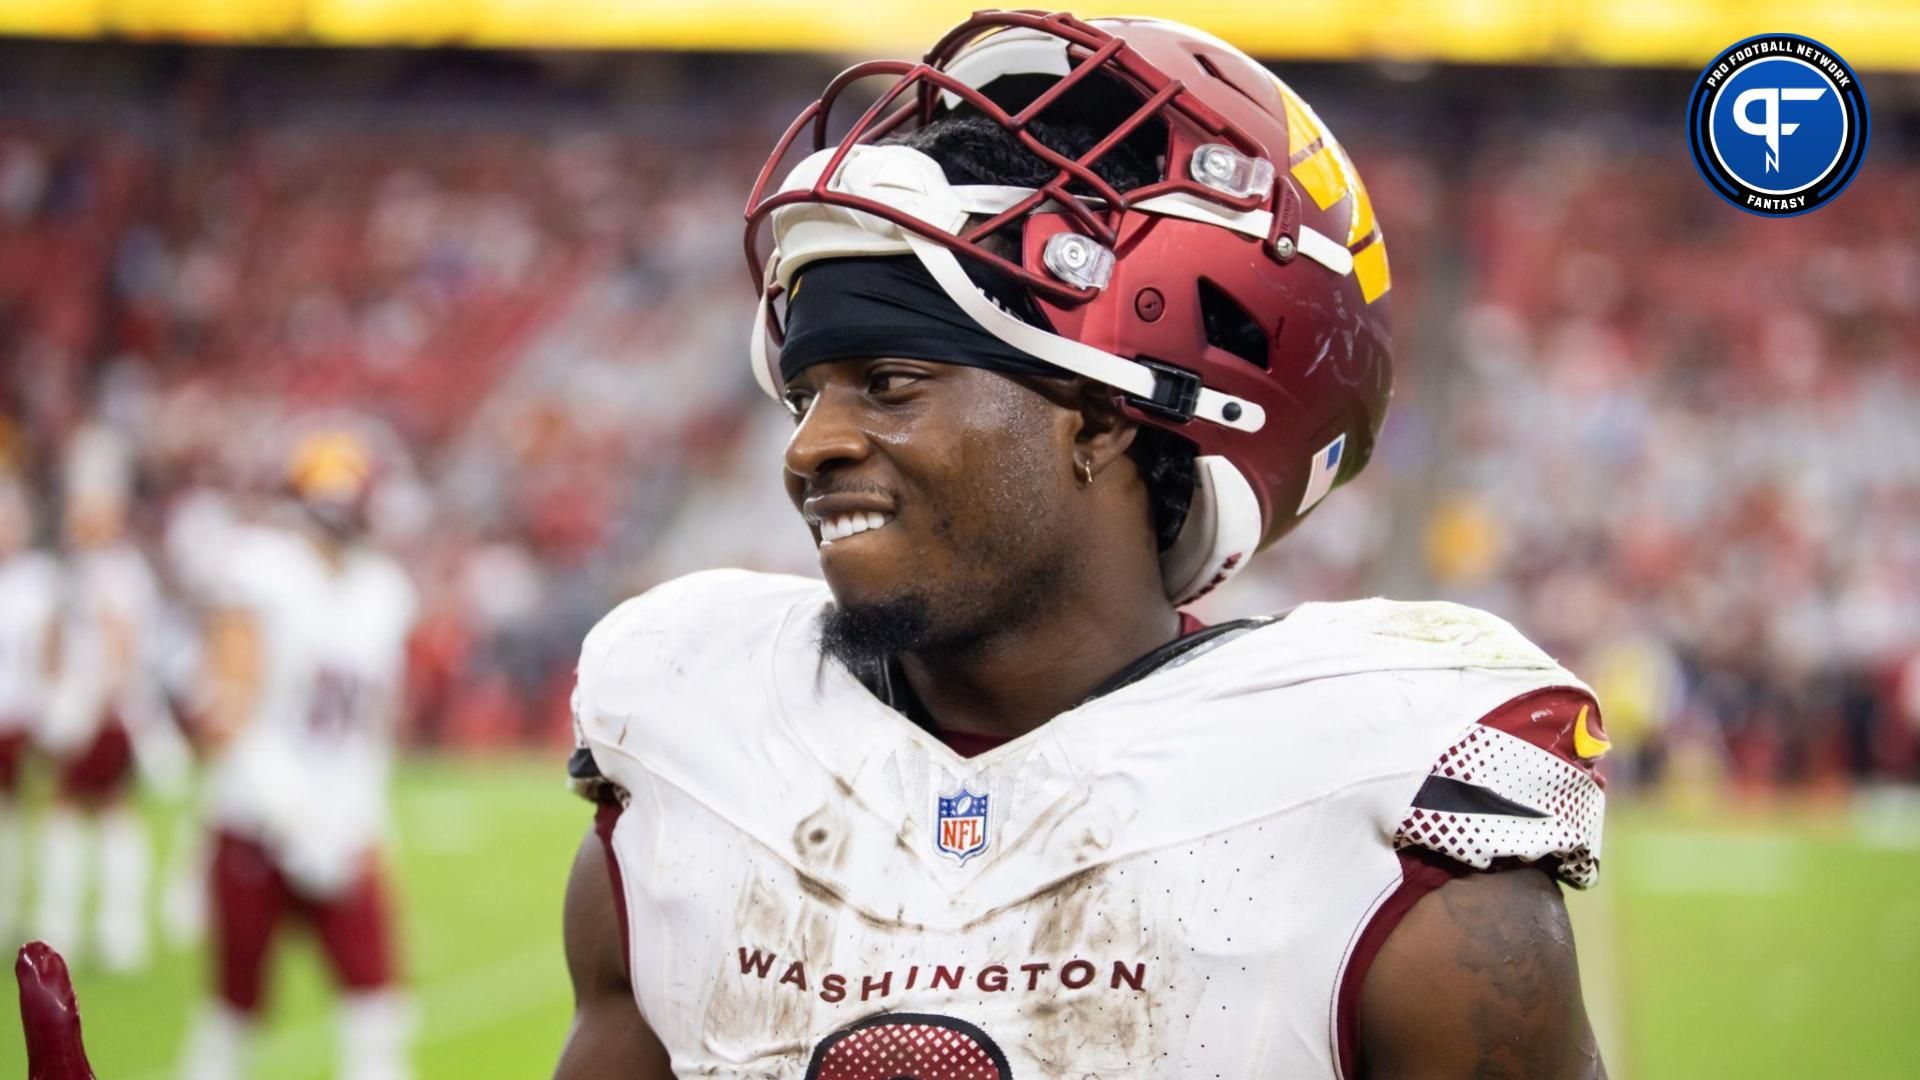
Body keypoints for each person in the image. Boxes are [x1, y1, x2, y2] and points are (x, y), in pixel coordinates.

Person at [556, 11, 1608, 1079]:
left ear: (1102, 415)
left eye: (889, 384)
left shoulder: (1380, 827)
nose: (813, 448)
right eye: (803, 393)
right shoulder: (699, 742)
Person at [174, 426, 418, 1080]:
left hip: (345, 820)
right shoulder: (263, 571)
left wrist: (361, 818)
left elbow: (376, 725)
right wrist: (291, 808)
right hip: (259, 819)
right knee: (233, 1008)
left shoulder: (384, 591)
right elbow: (224, 708)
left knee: (378, 1006)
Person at [35, 426, 177, 974]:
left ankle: (112, 926)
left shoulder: (118, 570)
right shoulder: (75, 568)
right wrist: (53, 692)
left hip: (105, 709)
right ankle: (78, 922)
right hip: (80, 704)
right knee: (74, 812)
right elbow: (54, 638)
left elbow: (122, 643)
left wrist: (89, 703)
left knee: (97, 812)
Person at [0, 474, 60, 942]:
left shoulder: (36, 579)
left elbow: (49, 652)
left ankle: (23, 911)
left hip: (19, 715)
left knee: (24, 820)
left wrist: (48, 710)